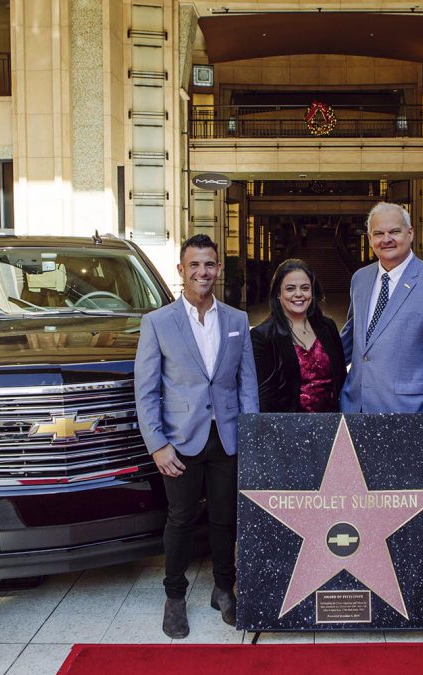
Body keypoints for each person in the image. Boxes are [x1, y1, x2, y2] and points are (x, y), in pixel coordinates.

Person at [134, 234, 260, 639]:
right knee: (182, 518)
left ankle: (224, 589)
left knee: (226, 518)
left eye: (209, 264)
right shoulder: (157, 322)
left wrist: (251, 436)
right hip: (178, 442)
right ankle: (175, 596)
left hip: (227, 438)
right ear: (181, 271)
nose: (202, 272)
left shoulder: (238, 320)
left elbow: (248, 386)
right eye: (194, 265)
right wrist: (157, 445)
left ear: (218, 269)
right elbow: (146, 390)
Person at [339, 202, 423, 414]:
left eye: (394, 231)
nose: (386, 239)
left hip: (407, 412)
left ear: (410, 233)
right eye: (378, 233)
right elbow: (351, 340)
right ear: (369, 239)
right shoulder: (360, 279)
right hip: (354, 407)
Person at [251, 259, 346, 412]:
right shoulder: (262, 336)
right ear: (278, 294)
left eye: (305, 288)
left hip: (332, 425)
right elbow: (266, 399)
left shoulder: (327, 327)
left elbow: (341, 378)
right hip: (288, 429)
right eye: (290, 288)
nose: (299, 294)